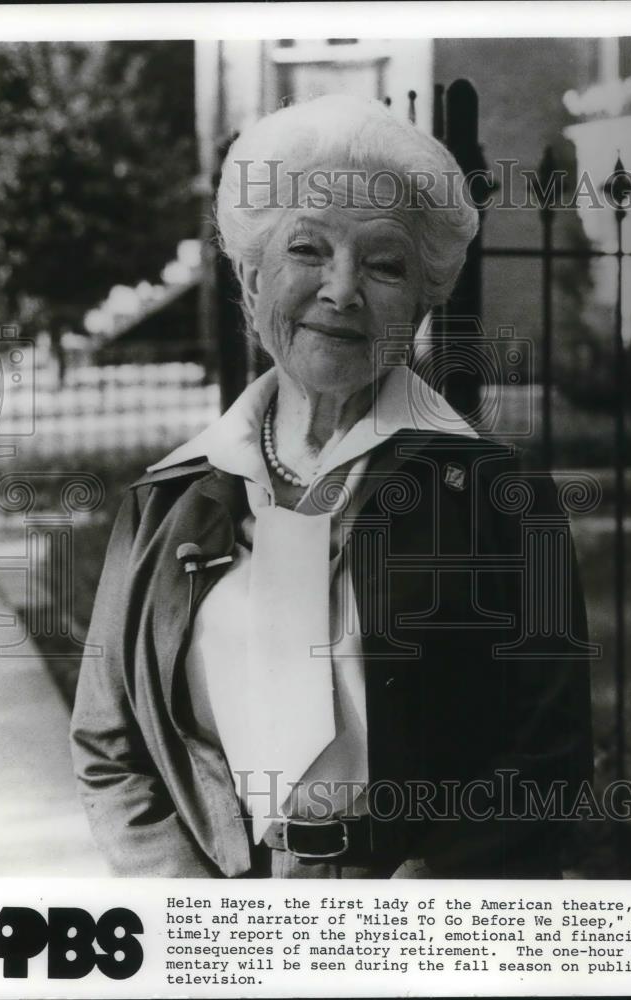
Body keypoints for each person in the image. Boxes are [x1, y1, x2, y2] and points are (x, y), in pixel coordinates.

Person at [70, 94, 593, 879]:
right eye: (308, 250)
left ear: (423, 301)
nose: (342, 290)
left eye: (384, 265)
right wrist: (191, 913)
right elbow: (110, 749)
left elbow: (546, 758)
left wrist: (431, 908)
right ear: (251, 281)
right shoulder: (162, 504)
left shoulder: (498, 498)